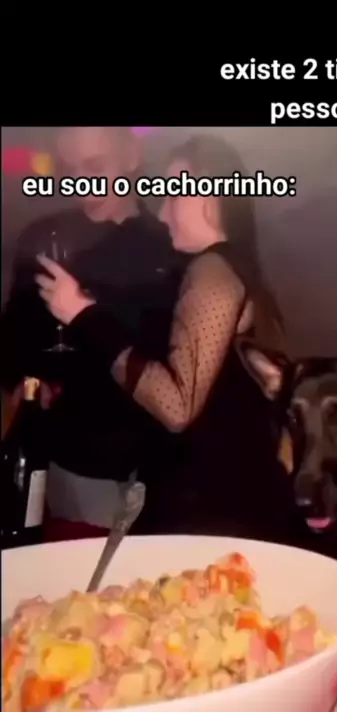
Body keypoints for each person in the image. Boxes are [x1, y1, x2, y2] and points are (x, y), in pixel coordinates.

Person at [34, 134, 309, 545]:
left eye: (173, 194)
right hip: (229, 502)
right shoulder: (235, 266)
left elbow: (177, 407)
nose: (163, 213)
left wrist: (83, 315)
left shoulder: (212, 270)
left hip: (208, 508)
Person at [0, 126, 185, 534]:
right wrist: (25, 379)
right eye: (71, 169)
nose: (82, 181)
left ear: (132, 156)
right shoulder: (43, 238)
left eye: (95, 166)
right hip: (76, 459)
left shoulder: (173, 241)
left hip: (162, 464)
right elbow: (13, 336)